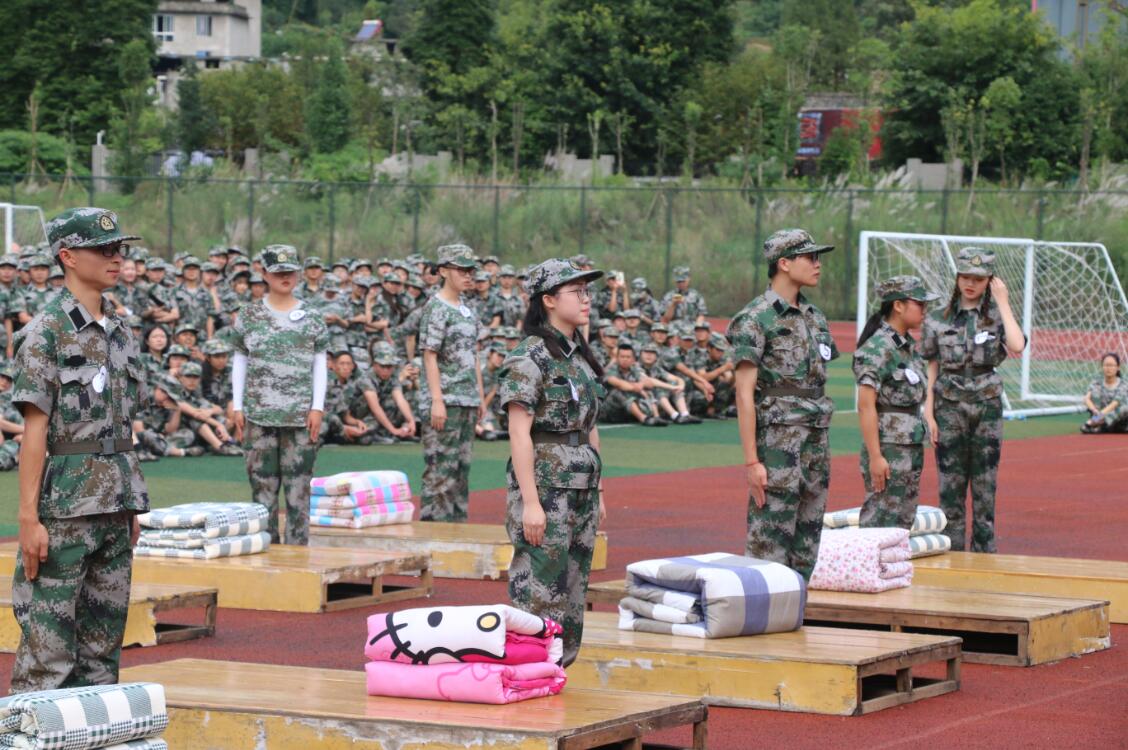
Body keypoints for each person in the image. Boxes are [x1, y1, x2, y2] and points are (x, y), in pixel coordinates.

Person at [10, 207, 149, 692]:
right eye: (103, 249)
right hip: (65, 507)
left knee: (102, 654)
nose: (116, 258)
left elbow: (122, 424)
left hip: (116, 504)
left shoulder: (121, 331)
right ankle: (29, 730)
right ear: (68, 256)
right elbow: (35, 431)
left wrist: (127, 502)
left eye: (119, 249)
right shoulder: (46, 331)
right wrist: (28, 518)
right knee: (48, 654)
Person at [497, 257, 606, 667]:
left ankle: (558, 671)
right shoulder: (530, 356)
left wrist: (600, 490)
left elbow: (590, 426)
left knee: (574, 590)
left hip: (581, 486)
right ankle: (529, 671)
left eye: (587, 291)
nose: (586, 299)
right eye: (576, 292)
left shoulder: (578, 357)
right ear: (548, 300)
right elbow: (519, 432)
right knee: (540, 588)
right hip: (546, 488)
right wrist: (530, 502)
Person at [727, 229, 837, 580]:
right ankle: (765, 612)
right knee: (769, 546)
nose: (818, 264)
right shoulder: (755, 318)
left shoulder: (814, 316)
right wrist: (752, 462)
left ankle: (798, 609)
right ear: (784, 263)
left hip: (815, 440)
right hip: (777, 445)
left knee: (808, 544)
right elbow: (744, 394)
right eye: (810, 257)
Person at [921, 247, 1025, 553]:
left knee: (985, 487)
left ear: (989, 281)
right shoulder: (937, 318)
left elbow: (1018, 344)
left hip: (986, 407)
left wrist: (1003, 302)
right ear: (957, 278)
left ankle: (984, 555)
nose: (970, 283)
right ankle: (951, 553)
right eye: (965, 276)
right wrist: (928, 413)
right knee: (950, 487)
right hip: (948, 406)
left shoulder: (997, 316)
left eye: (978, 279)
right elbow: (931, 366)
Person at [230, 245, 330, 545]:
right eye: (278, 272)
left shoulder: (312, 316)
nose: (285, 277)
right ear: (264, 274)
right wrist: (237, 405)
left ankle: (298, 551)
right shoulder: (249, 315)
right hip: (259, 415)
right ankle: (267, 548)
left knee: (299, 490)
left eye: (290, 271)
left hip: (300, 415)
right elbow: (240, 359)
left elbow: (320, 362)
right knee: (262, 490)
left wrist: (317, 407)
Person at [854, 276, 939, 529]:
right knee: (879, 522)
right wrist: (875, 456)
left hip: (910, 445)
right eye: (919, 304)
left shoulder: (907, 347)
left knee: (902, 524)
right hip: (889, 448)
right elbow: (865, 406)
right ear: (898, 306)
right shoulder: (878, 347)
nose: (924, 310)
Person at [417, 245, 485, 522]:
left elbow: (474, 355)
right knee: (440, 472)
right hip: (445, 398)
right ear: (444, 271)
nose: (468, 276)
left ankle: (458, 530)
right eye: (462, 270)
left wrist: (479, 395)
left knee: (461, 471)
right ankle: (434, 534)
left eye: (471, 271)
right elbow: (429, 355)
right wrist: (436, 400)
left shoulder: (467, 310)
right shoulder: (435, 308)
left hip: (466, 398)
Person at [1081, 353, 1128, 433]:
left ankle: (1098, 426)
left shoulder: (1123, 384)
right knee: (1095, 392)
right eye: (1106, 365)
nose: (1108, 368)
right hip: (1099, 416)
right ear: (1102, 366)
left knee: (1124, 408)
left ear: (1118, 367)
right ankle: (1099, 426)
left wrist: (1097, 418)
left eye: (1111, 365)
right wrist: (1094, 410)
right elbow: (1087, 399)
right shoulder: (1096, 382)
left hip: (1119, 419)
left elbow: (1114, 405)